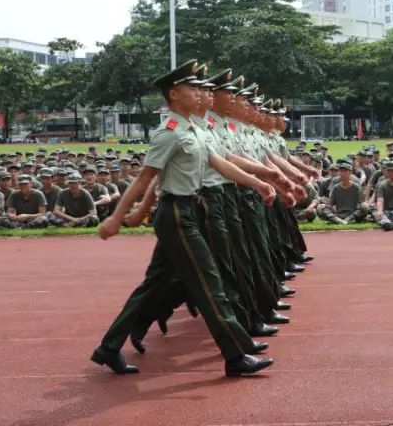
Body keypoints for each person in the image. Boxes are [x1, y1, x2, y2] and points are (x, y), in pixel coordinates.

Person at [92, 59, 274, 378]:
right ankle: (235, 354)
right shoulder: (170, 133)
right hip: (177, 212)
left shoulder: (195, 129)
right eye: (193, 88)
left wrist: (259, 182)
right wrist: (117, 219)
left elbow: (221, 162)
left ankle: (109, 347)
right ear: (174, 94)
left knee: (154, 285)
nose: (201, 93)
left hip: (190, 210)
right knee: (209, 283)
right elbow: (144, 178)